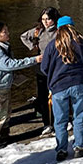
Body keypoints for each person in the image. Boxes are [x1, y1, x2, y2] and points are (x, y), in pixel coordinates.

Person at [0, 21, 41, 151]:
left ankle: (3, 138)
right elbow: (9, 64)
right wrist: (34, 60)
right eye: (4, 32)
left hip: (2, 87)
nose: (8, 33)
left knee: (5, 114)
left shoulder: (3, 47)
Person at [40, 16, 83, 162]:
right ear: (72, 26)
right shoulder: (82, 42)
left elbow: (44, 68)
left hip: (58, 86)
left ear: (58, 28)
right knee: (79, 116)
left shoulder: (52, 45)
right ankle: (79, 147)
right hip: (78, 83)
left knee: (60, 120)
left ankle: (62, 150)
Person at [20, 7, 59, 136]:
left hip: (58, 66)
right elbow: (23, 36)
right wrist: (33, 46)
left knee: (58, 95)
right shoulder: (38, 31)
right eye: (43, 19)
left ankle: (61, 119)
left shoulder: (60, 30)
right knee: (43, 96)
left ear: (54, 19)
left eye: (48, 19)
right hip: (42, 67)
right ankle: (47, 123)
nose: (45, 22)